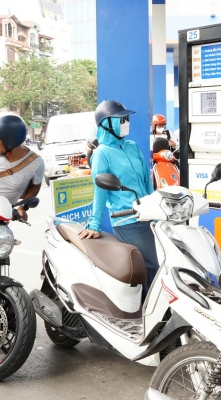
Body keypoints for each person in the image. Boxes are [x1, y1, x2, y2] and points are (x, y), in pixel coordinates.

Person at [78, 100, 158, 301]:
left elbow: (147, 182)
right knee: (152, 266)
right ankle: (149, 315)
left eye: (127, 118)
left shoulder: (132, 147)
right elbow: (100, 190)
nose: (126, 122)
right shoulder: (102, 154)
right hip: (127, 220)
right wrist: (94, 224)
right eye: (122, 119)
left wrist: (157, 211)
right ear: (107, 124)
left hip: (148, 216)